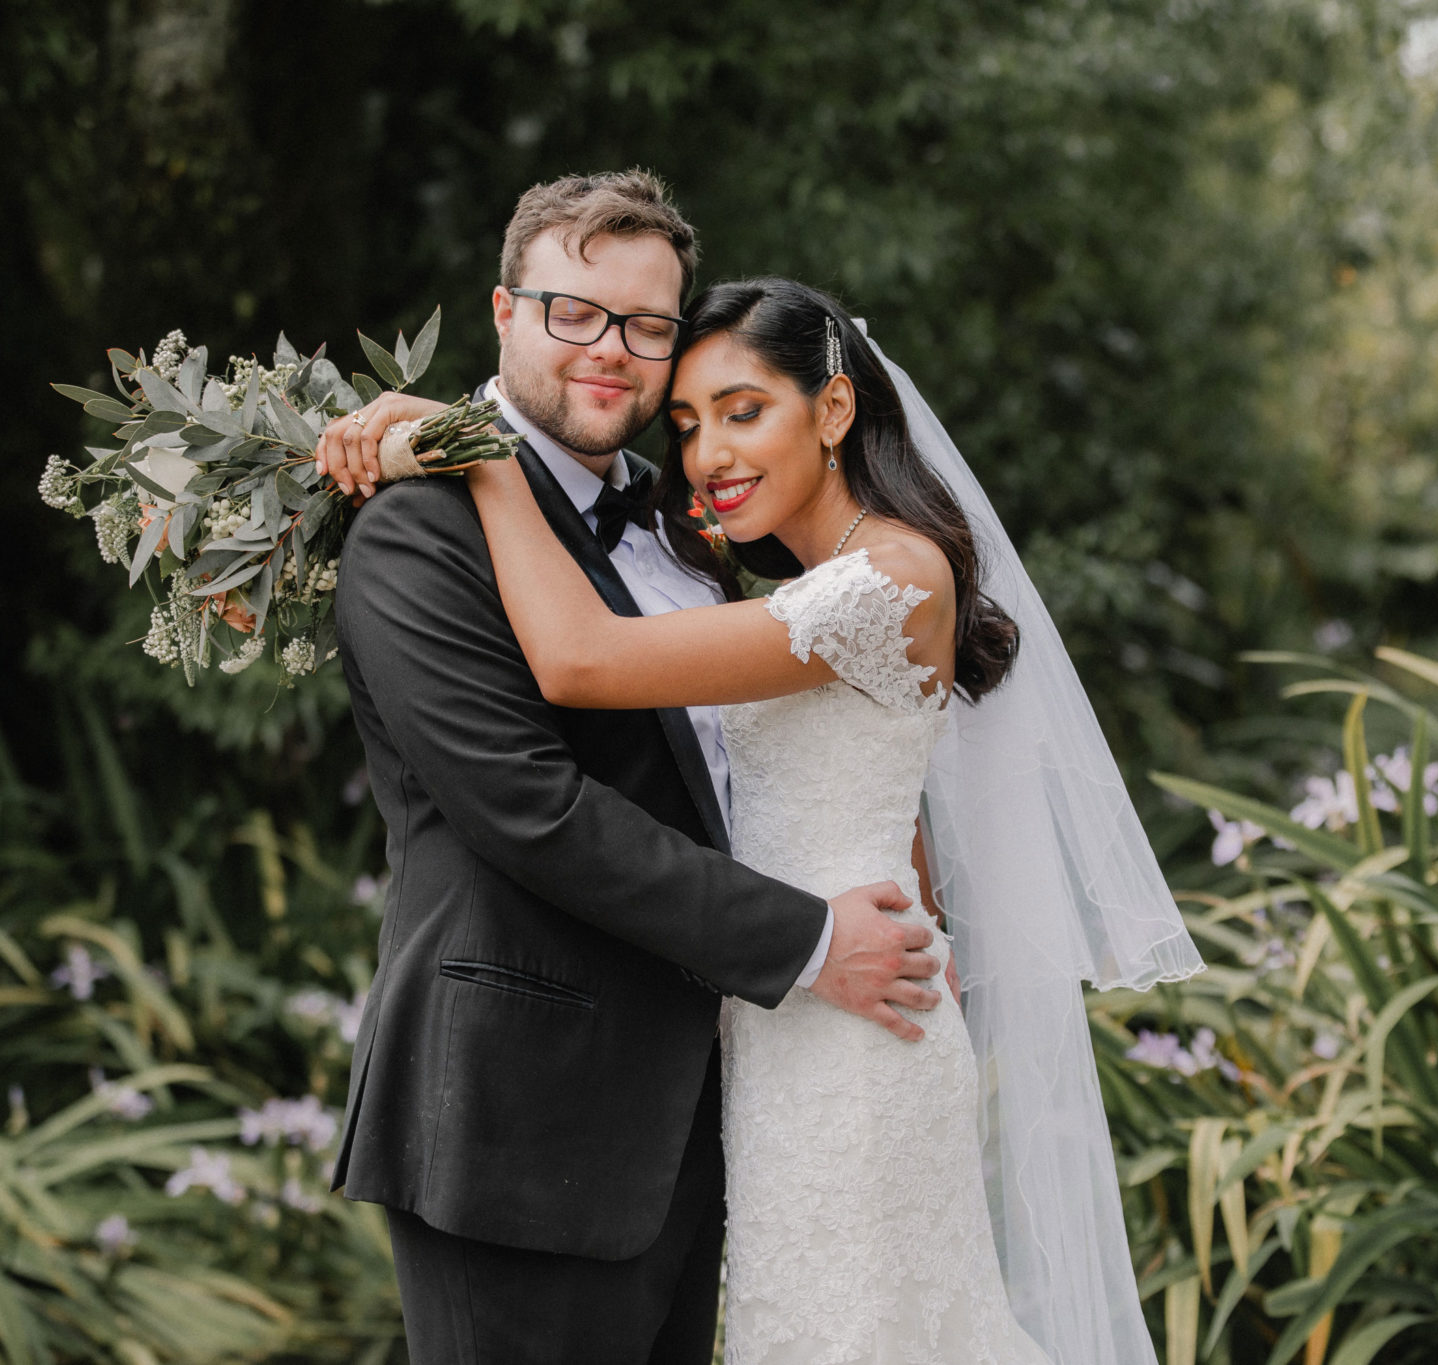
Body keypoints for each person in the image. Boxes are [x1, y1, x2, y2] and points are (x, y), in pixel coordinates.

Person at [335, 268, 1205, 1361]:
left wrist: (490, 459)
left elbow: (580, 657)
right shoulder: (780, 583)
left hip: (846, 1038)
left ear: (832, 409)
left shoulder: (884, 580)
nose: (706, 457)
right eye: (691, 423)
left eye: (744, 413)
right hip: (771, 1035)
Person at [318, 172, 947, 1365]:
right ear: (503, 313)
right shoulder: (419, 532)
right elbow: (529, 812)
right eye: (573, 313)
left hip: (705, 1121)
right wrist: (809, 940)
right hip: (517, 1121)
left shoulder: (687, 522)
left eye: (647, 327)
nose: (611, 352)